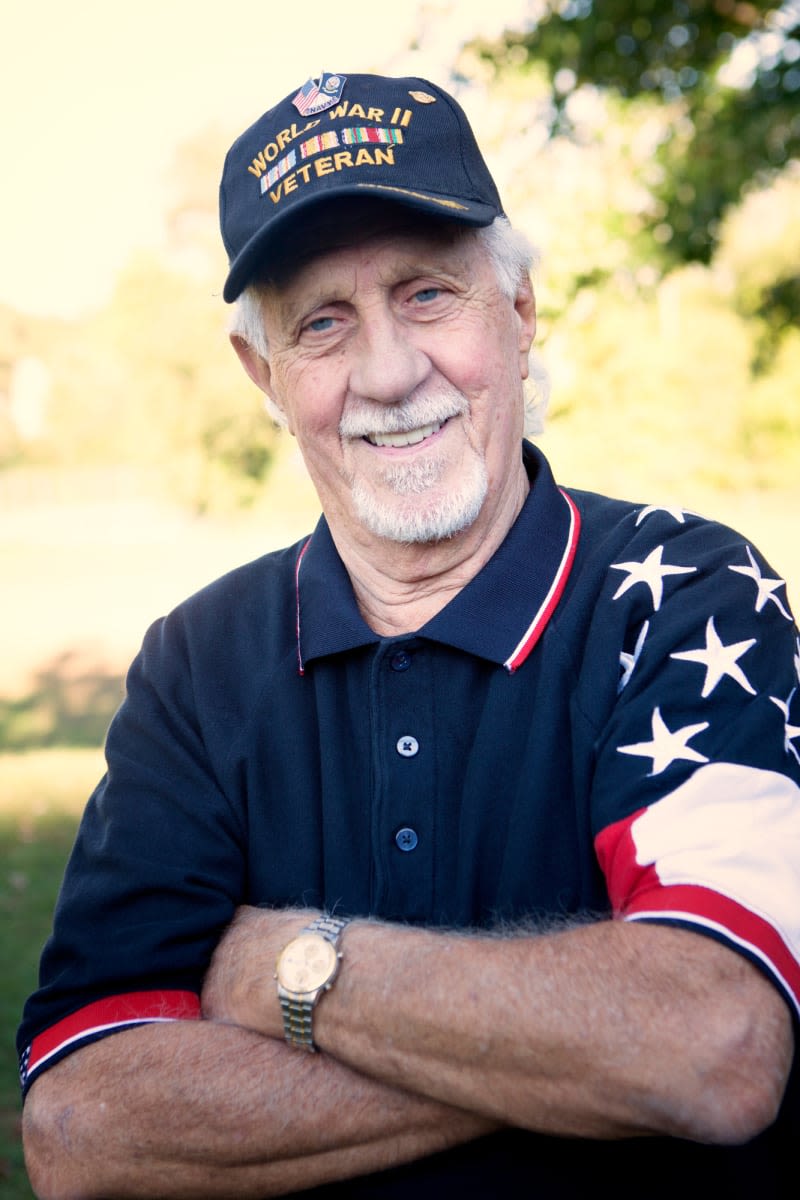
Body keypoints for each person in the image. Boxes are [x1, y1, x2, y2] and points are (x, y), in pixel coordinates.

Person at [18, 72, 800, 1200]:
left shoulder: (684, 594)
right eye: (321, 324)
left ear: (520, 313)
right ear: (266, 378)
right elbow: (83, 1126)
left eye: (426, 294)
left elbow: (707, 1048)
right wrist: (576, 1050)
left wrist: (289, 974)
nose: (386, 373)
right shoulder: (194, 664)